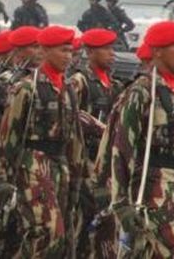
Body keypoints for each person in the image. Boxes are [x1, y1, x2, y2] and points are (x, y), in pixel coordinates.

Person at [110, 21, 174, 257]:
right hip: (153, 189)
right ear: (158, 51)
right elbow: (122, 148)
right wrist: (121, 203)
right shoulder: (142, 91)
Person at [0, 25, 84, 257]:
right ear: (45, 51)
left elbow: (74, 137)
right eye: (62, 50)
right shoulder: (27, 87)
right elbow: (7, 134)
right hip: (32, 165)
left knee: (62, 238)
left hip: (60, 166)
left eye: (70, 51)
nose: (68, 56)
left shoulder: (68, 88)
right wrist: (0, 178)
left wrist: (78, 173)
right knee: (49, 231)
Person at [71, 28, 123, 258]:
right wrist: (100, 128)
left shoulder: (113, 84)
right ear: (90, 52)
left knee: (107, 222)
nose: (113, 54)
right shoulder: (80, 80)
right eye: (107, 49)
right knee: (89, 219)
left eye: (113, 49)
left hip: (107, 162)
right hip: (87, 160)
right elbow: (72, 116)